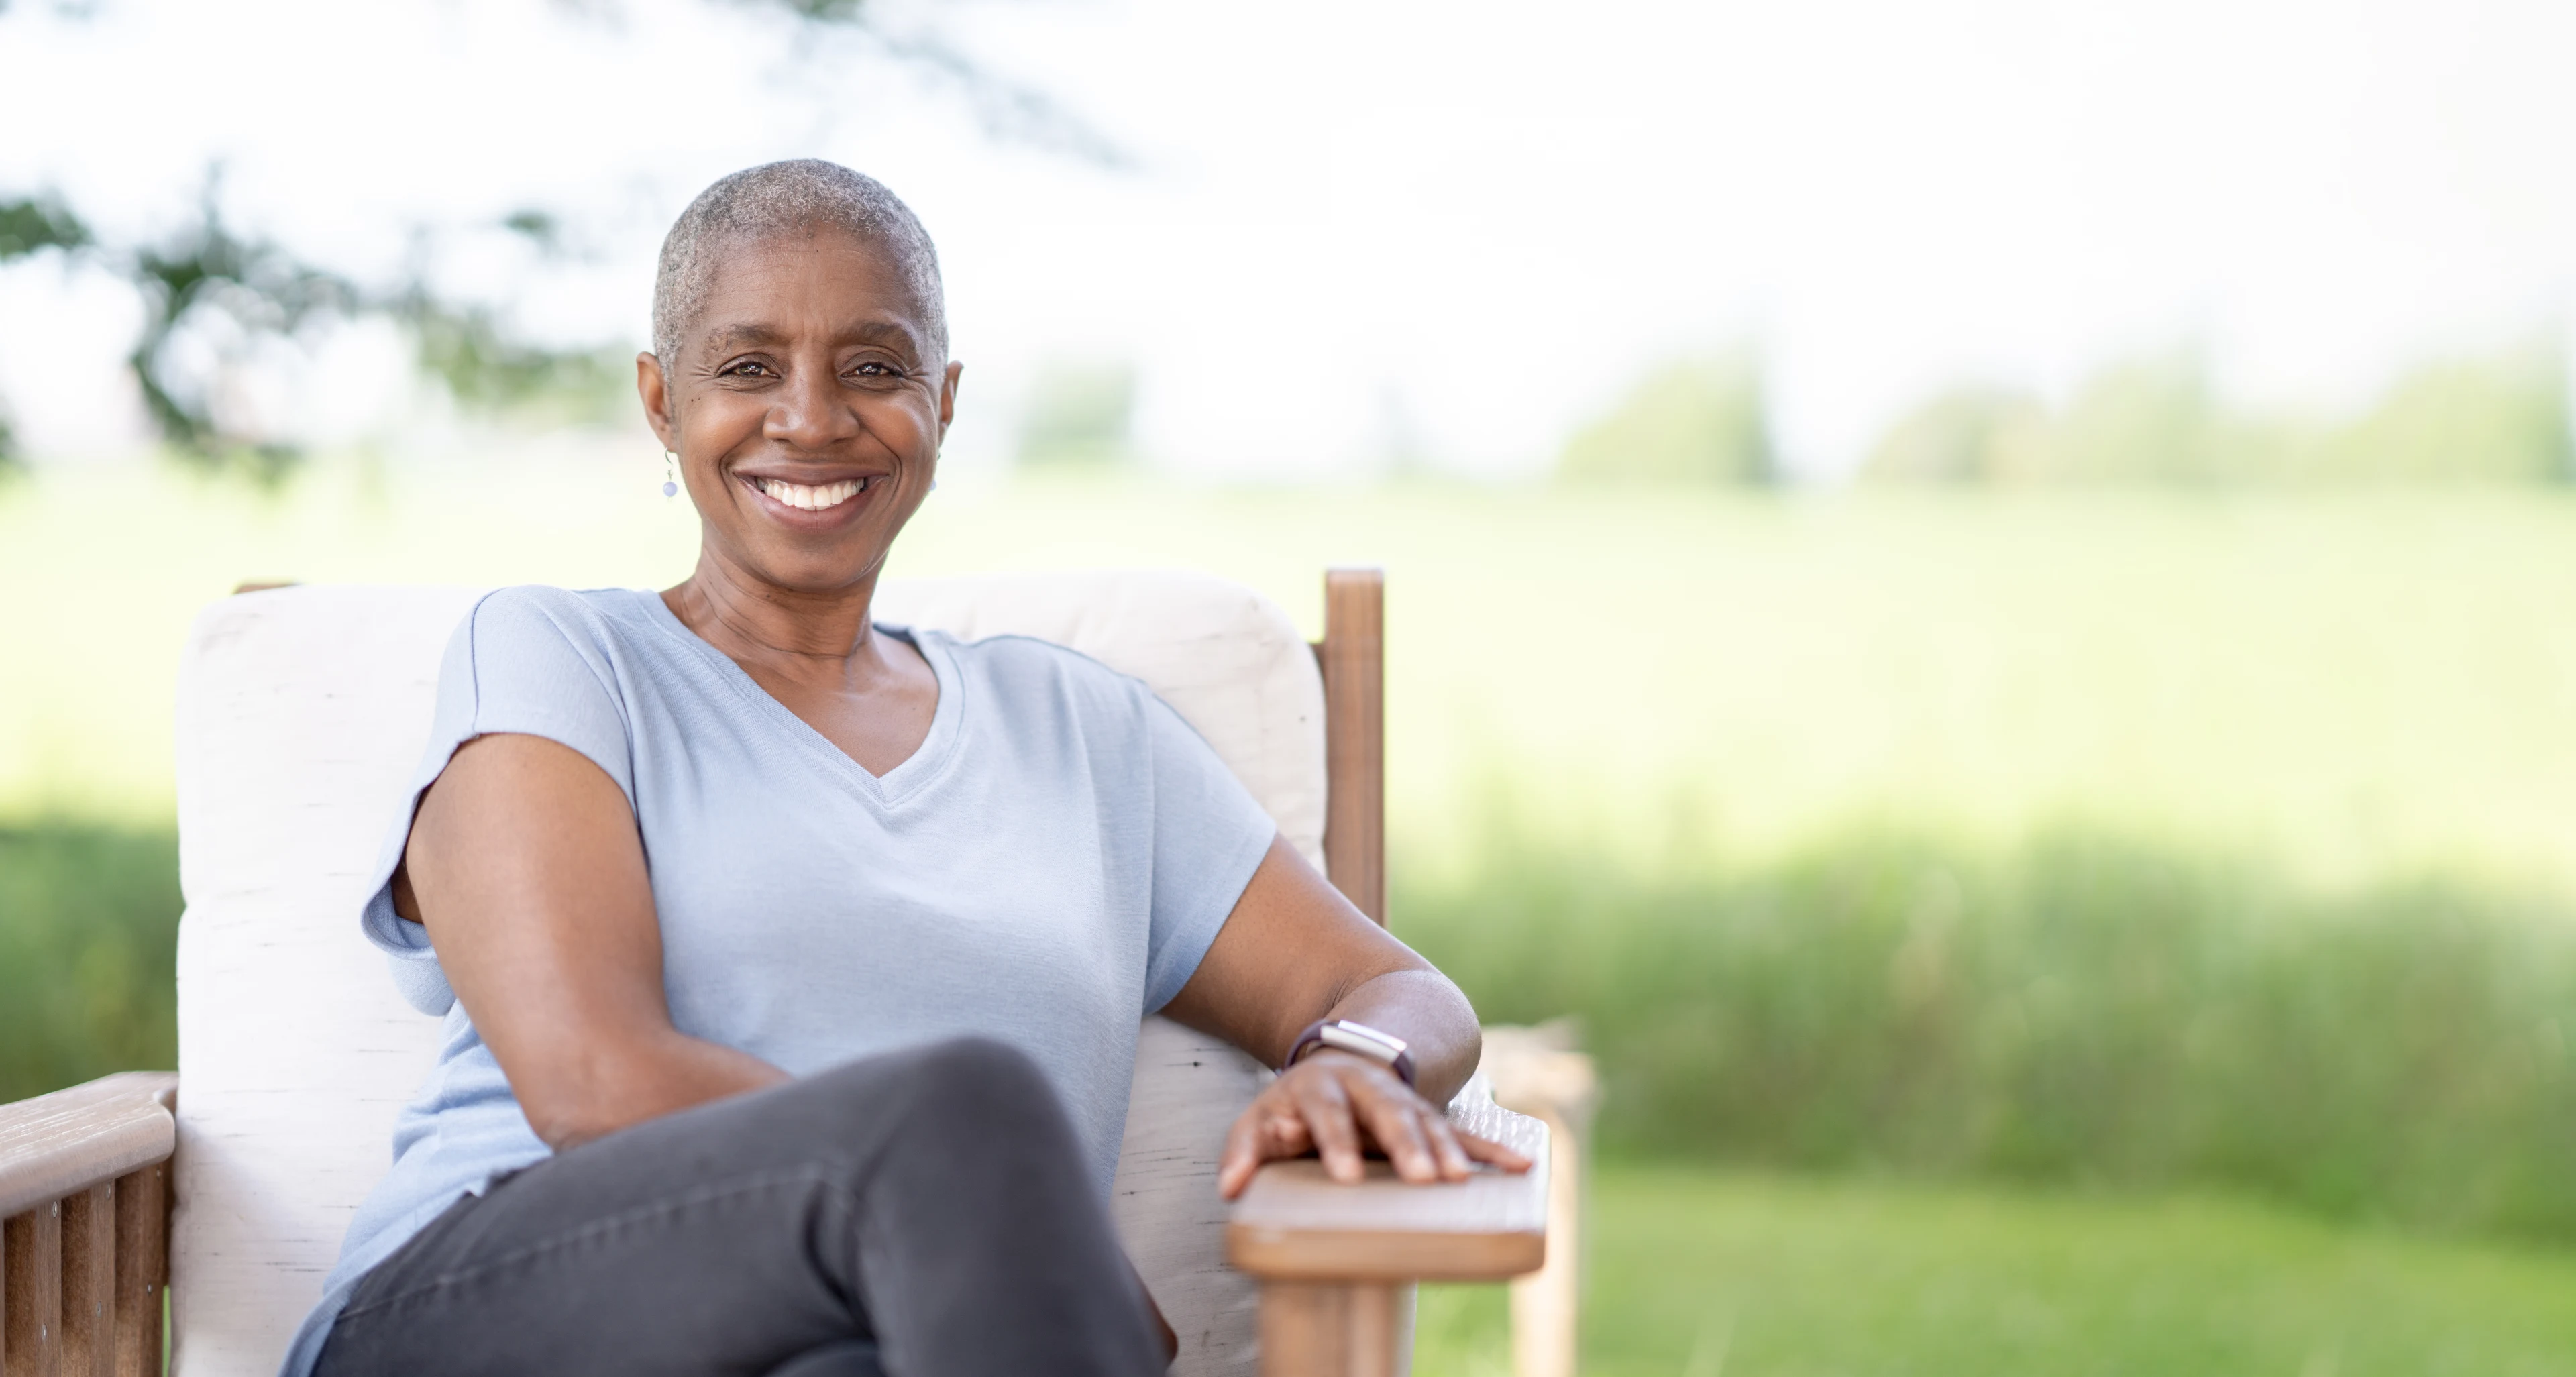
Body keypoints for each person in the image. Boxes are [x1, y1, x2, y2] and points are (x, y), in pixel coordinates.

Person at [280, 159, 1525, 1377]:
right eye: (748, 367)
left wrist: (1358, 1064)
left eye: (873, 367)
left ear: (944, 398)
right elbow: (588, 1078)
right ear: (663, 402)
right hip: (487, 1304)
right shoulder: (561, 659)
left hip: (890, 1341)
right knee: (968, 1116)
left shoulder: (1087, 735)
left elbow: (1392, 987)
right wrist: (999, 1201)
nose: (812, 418)